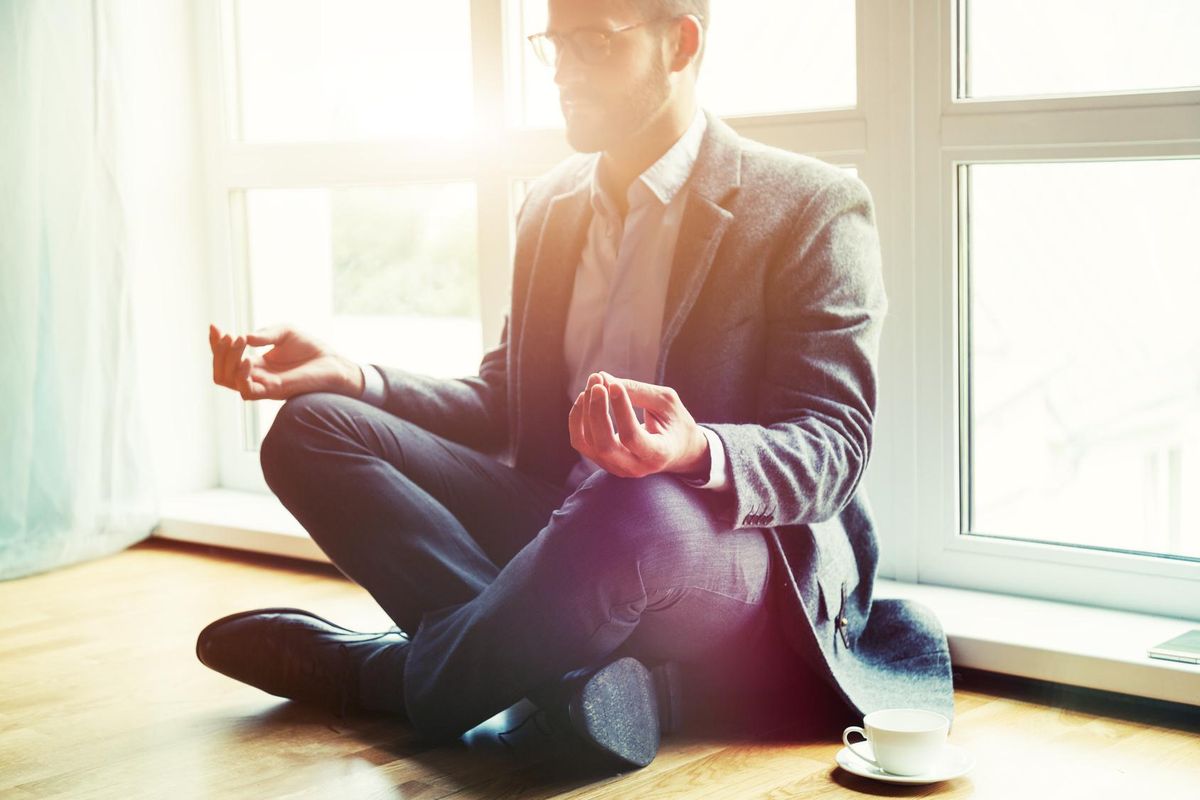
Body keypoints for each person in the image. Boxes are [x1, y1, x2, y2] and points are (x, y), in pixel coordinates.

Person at [196, 0, 954, 772]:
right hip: (560, 527)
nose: (562, 71)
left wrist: (694, 448)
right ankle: (571, 679)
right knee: (311, 427)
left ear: (681, 42)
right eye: (554, 43)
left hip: (718, 551)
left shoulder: (809, 206)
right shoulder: (550, 206)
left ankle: (383, 674)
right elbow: (503, 403)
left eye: (592, 43)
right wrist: (356, 377)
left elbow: (832, 446)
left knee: (631, 504)